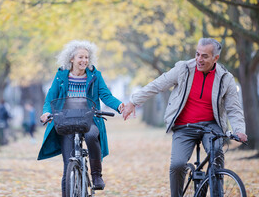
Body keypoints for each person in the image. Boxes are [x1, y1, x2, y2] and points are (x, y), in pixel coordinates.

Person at [122, 38, 247, 197]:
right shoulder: (184, 69)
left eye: (205, 56)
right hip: (184, 126)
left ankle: (217, 193)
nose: (199, 59)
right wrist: (133, 101)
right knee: (177, 165)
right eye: (197, 54)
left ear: (215, 58)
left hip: (211, 126)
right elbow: (158, 84)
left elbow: (234, 108)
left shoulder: (225, 78)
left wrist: (239, 130)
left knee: (216, 155)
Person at [38, 40, 124, 196]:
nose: (84, 60)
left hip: (88, 120)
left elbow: (106, 95)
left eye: (86, 57)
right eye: (80, 57)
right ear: (71, 59)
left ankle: (96, 175)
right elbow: (51, 97)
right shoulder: (61, 75)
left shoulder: (95, 75)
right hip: (66, 121)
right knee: (67, 166)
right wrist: (46, 112)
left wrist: (119, 106)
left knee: (92, 135)